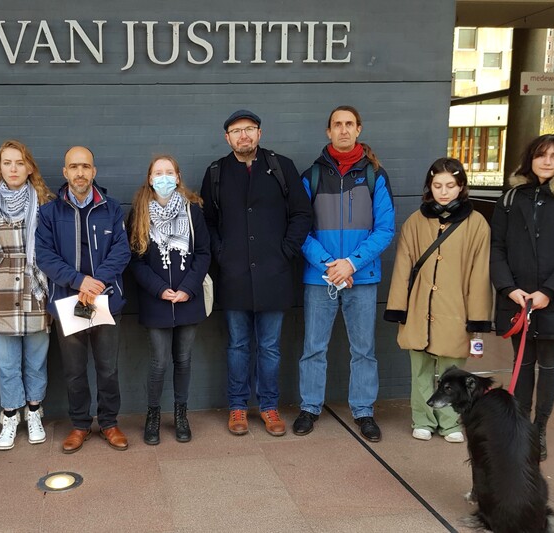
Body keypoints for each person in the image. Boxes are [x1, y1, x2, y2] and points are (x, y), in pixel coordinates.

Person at [200, 110, 311, 437]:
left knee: (270, 346)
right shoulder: (216, 172)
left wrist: (286, 251)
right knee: (237, 345)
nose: (243, 136)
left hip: (274, 274)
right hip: (233, 275)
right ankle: (237, 407)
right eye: (236, 131)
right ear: (227, 137)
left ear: (259, 133)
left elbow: (302, 214)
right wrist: (221, 253)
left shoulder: (281, 166)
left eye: (249, 129)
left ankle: (269, 407)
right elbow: (206, 222)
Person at [295, 105, 395, 442]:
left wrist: (351, 264)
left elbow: (385, 229)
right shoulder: (310, 176)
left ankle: (364, 411)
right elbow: (299, 229)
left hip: (361, 277)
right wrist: (329, 265)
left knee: (364, 349)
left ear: (359, 129)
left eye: (349, 124)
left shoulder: (375, 175)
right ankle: (309, 407)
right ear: (328, 131)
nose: (343, 130)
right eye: (337, 124)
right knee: (313, 347)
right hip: (319, 277)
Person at [384, 157, 492, 442]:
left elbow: (479, 274)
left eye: (450, 185)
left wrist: (477, 319)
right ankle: (422, 418)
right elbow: (402, 269)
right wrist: (399, 309)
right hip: (419, 308)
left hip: (455, 310)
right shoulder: (415, 222)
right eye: (437, 185)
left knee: (452, 373)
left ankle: (452, 423)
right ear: (429, 187)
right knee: (419, 369)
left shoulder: (477, 224)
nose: (443, 192)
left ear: (461, 187)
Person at [35, 146, 132, 453]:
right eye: (74, 167)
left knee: (108, 368)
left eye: (85, 166)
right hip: (68, 300)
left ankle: (108, 423)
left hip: (105, 301)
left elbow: (122, 250)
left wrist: (97, 282)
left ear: (94, 171)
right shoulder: (50, 211)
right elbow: (44, 256)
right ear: (65, 172)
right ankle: (79, 425)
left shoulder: (112, 208)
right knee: (74, 370)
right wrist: (79, 281)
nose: (80, 172)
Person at [490, 134, 554, 461]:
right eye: (542, 155)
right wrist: (508, 288)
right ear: (530, 158)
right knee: (522, 362)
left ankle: (539, 430)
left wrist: (548, 292)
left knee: (550, 363)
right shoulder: (511, 198)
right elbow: (496, 247)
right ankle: (520, 427)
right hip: (518, 298)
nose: (547, 162)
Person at [0, 140, 54, 451]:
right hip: (0, 293)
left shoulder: (46, 202)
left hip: (36, 292)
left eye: (19, 162)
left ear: (29, 167)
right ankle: (10, 415)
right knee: (5, 363)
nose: (13, 169)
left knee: (36, 361)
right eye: (7, 162)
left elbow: (55, 248)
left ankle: (34, 412)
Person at [128, 155, 211, 445]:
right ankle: (153, 415)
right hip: (156, 301)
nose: (163, 177)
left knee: (184, 360)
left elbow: (203, 253)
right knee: (159, 362)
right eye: (157, 173)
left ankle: (180, 413)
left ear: (178, 176)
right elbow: (135, 261)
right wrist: (160, 289)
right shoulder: (140, 212)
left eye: (168, 172)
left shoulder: (192, 211)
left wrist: (188, 287)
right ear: (150, 179)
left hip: (189, 299)